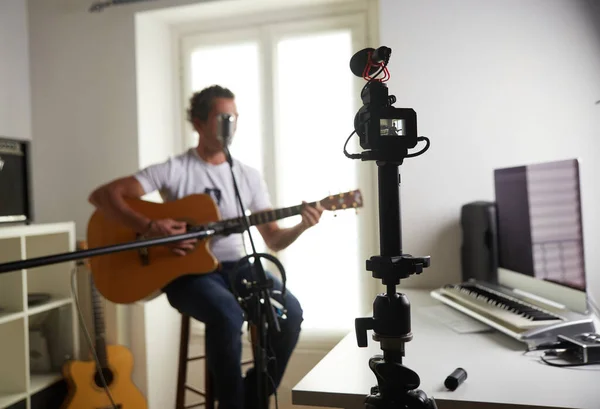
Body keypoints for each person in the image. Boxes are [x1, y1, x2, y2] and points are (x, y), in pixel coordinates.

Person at [88, 85, 324, 409]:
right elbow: (102, 196)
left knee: (291, 313)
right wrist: (148, 225)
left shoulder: (247, 177)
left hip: (239, 267)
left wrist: (301, 224)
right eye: (222, 118)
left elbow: (273, 240)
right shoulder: (175, 169)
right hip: (188, 276)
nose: (231, 125)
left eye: (235, 118)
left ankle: (252, 397)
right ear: (199, 123)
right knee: (227, 315)